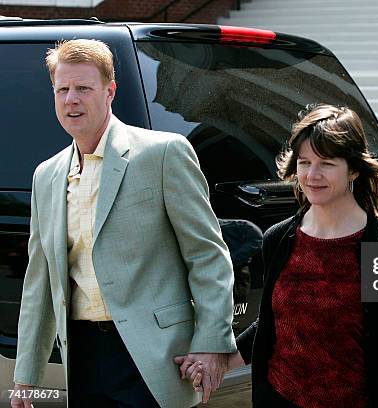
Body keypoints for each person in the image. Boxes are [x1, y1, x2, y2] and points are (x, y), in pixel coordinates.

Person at [11, 39, 236, 408]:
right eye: (62, 90)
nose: (71, 99)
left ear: (110, 91)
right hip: (82, 357)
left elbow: (208, 256)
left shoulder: (164, 153)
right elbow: (39, 280)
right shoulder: (46, 176)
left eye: (83, 88)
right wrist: (26, 375)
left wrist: (212, 343)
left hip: (155, 357)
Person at [187, 104, 378, 407]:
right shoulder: (278, 238)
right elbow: (273, 322)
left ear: (354, 168)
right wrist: (218, 360)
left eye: (326, 163)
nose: (312, 175)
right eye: (304, 162)